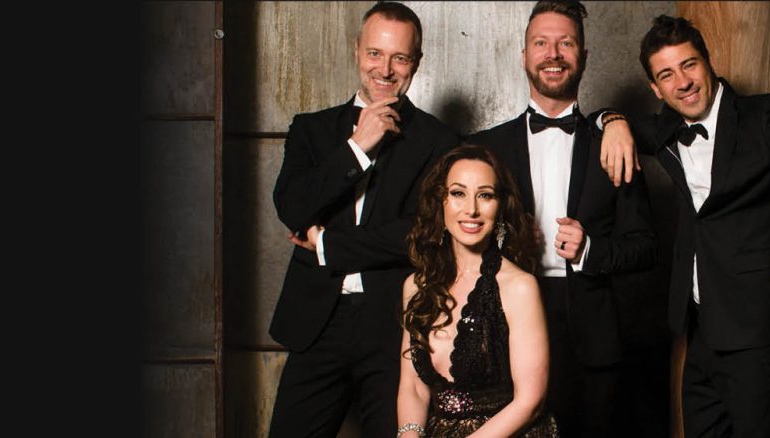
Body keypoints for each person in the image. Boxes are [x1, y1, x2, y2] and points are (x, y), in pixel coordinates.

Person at [598, 15, 770, 437]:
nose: (682, 82)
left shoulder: (764, 121)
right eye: (667, 74)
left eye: (689, 65)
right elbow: (601, 116)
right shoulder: (667, 129)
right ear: (656, 89)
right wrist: (612, 121)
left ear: (708, 62)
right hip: (702, 334)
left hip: (760, 333)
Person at [465, 1, 657, 436]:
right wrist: (503, 241)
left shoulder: (614, 143)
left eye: (565, 43)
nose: (553, 54)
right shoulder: (485, 148)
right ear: (524, 56)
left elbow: (646, 245)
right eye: (541, 43)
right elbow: (455, 233)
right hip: (503, 328)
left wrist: (592, 250)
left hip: (592, 338)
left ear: (584, 56)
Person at [267, 2, 458, 436]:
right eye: (375, 53)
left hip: (394, 329)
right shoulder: (310, 130)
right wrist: (357, 147)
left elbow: (423, 232)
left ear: (417, 63)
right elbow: (293, 208)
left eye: (400, 57)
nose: (385, 69)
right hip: (316, 325)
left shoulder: (439, 141)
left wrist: (328, 245)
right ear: (356, 51)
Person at [396, 144, 558, 437]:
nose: (471, 209)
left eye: (485, 195)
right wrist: (408, 434)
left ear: (500, 206)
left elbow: (529, 402)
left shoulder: (519, 287)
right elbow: (413, 389)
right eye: (458, 193)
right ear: (440, 201)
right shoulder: (416, 286)